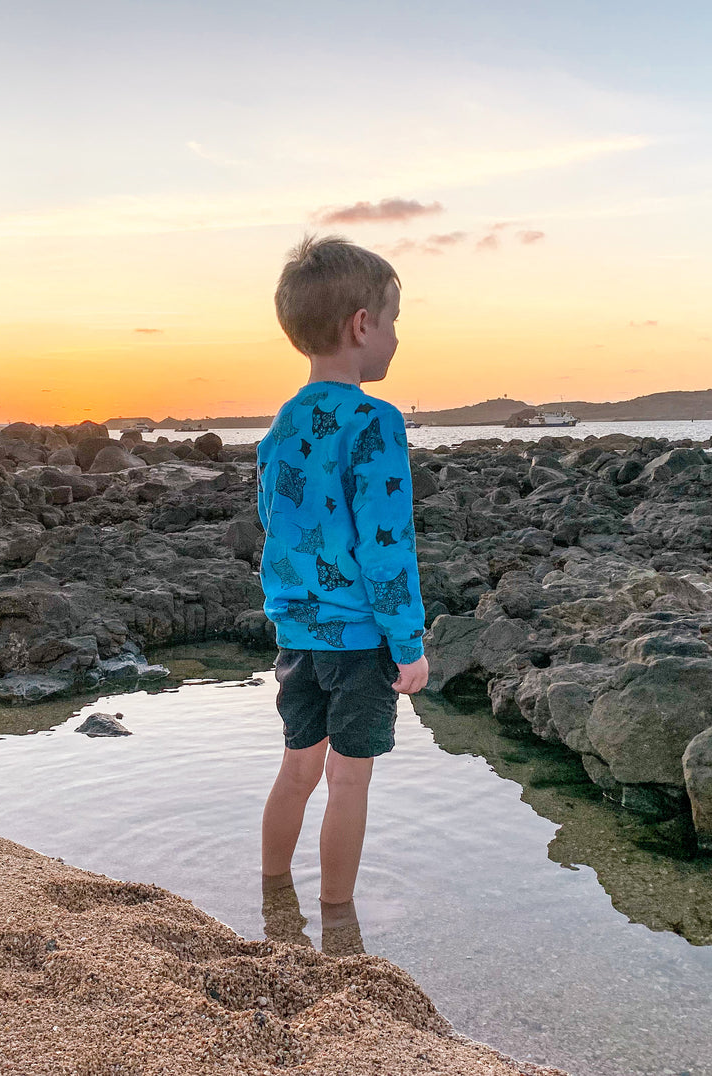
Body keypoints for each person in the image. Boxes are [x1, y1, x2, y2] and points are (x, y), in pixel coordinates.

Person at [256, 234, 428, 931]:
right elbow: (386, 547)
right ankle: (337, 922)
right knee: (347, 779)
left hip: (297, 633)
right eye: (393, 320)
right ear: (363, 325)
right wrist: (408, 643)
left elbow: (276, 525)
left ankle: (270, 898)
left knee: (297, 768)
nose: (395, 337)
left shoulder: (284, 423)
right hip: (359, 639)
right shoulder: (374, 423)